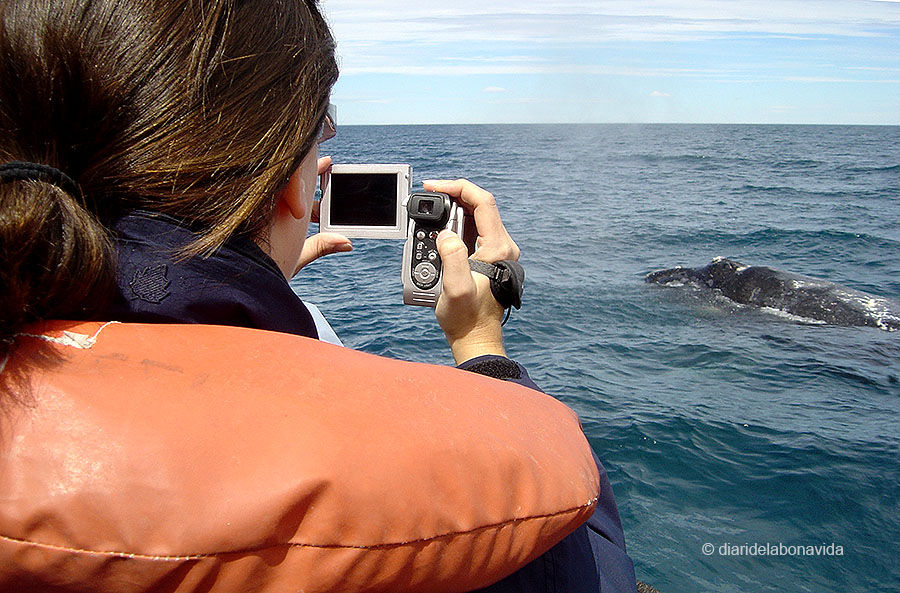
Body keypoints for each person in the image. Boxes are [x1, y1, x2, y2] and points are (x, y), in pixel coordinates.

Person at [0, 1, 636, 591]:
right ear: (291, 189)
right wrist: (482, 348)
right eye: (319, 137)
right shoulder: (461, 486)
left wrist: (231, 309)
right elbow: (584, 566)